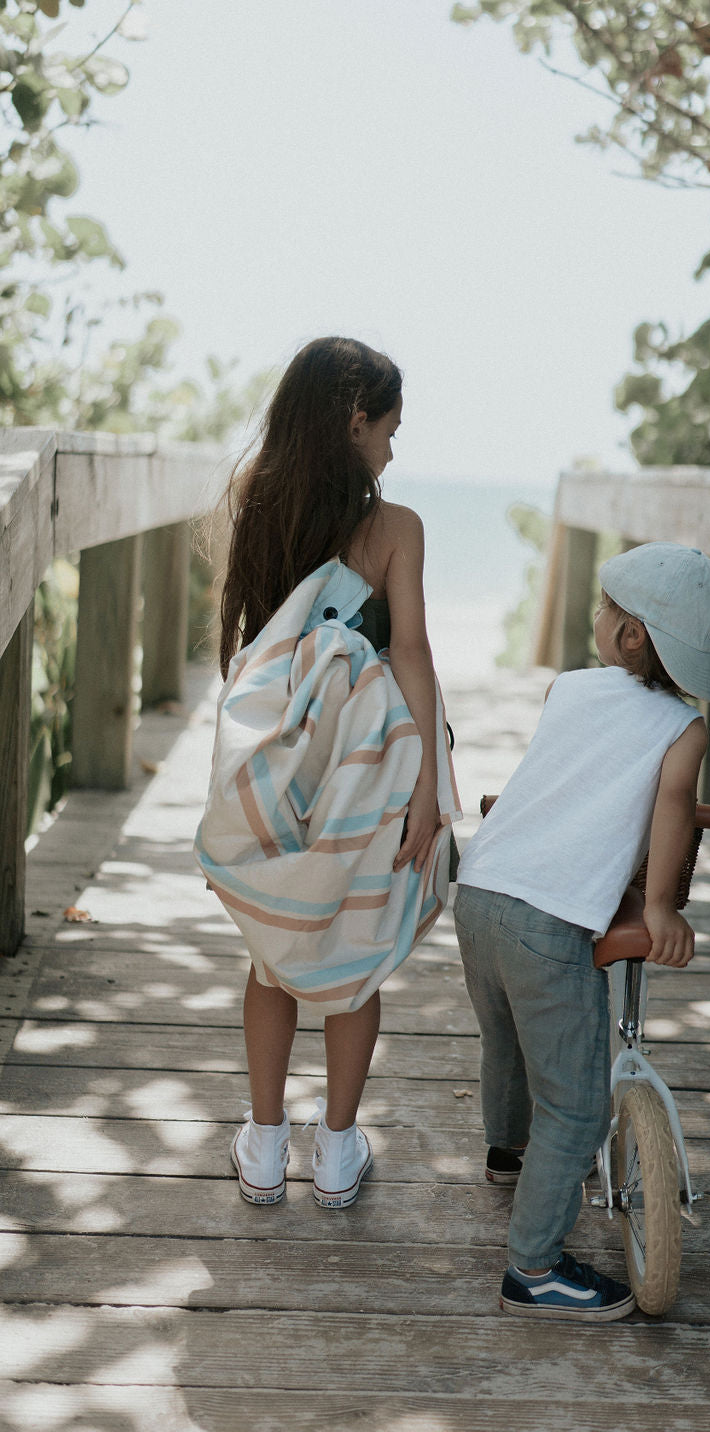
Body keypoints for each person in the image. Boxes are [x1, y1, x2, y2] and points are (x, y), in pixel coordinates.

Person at [195, 336, 459, 1211]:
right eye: (389, 429)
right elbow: (410, 652)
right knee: (357, 949)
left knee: (272, 958)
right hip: (367, 768)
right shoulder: (397, 529)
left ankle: (266, 1144)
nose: (392, 449)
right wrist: (430, 788)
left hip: (276, 756)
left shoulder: (256, 499)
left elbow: (252, 647)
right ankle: (338, 1151)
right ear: (355, 421)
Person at [453, 542, 710, 1321]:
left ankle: (508, 1153)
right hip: (548, 922)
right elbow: (673, 809)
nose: (597, 614)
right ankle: (535, 1267)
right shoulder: (683, 728)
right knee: (576, 1109)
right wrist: (659, 908)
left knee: (505, 1038)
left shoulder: (568, 687)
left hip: (479, 891)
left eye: (607, 607)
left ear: (630, 635)